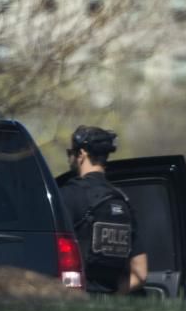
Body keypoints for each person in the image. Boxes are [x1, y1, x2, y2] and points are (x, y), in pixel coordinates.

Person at [60, 125, 147, 295]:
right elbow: (141, 274)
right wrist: (109, 298)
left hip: (73, 304)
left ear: (82, 154)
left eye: (71, 152)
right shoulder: (123, 202)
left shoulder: (67, 195)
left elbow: (60, 254)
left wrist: (75, 298)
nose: (70, 157)